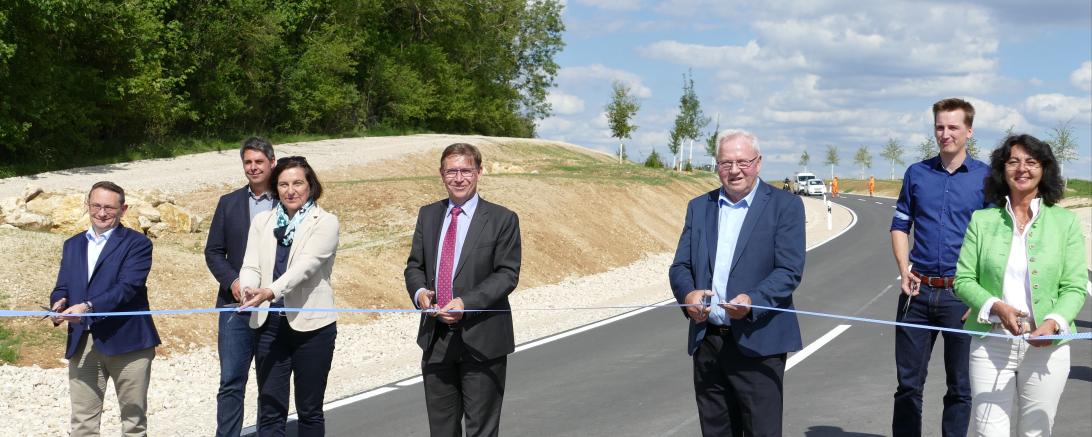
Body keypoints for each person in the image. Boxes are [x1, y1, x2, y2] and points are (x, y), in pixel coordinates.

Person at [668, 130, 805, 437]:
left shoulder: (785, 206)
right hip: (708, 342)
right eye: (725, 162)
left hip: (759, 343)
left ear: (758, 163)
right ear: (716, 166)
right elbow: (680, 266)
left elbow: (789, 270)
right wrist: (688, 294)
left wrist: (752, 300)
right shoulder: (699, 206)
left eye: (743, 161)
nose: (734, 170)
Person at [954, 134, 1088, 436]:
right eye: (1013, 161)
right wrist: (995, 307)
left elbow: (1075, 286)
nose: (1022, 168)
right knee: (989, 432)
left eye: (1031, 162)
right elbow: (963, 280)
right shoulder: (981, 220)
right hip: (991, 342)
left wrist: (1053, 323)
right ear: (1002, 170)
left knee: (1036, 431)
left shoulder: (1065, 223)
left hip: (1047, 346)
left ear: (1044, 169)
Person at [405, 143, 522, 437]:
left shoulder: (502, 219)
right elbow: (414, 267)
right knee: (442, 430)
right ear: (442, 174)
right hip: (436, 340)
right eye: (452, 171)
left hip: (483, 340)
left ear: (479, 173)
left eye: (466, 171)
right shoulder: (428, 215)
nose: (459, 178)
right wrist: (420, 295)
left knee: (481, 429)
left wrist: (465, 302)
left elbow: (507, 274)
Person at [890, 97, 989, 437]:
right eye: (939, 127)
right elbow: (900, 225)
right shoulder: (917, 173)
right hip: (916, 294)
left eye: (953, 127)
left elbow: (997, 242)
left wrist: (983, 296)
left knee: (960, 387)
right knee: (908, 386)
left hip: (961, 297)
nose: (945, 134)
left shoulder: (986, 179)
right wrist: (904, 269)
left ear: (969, 131)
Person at [237, 156, 339, 436]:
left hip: (312, 328)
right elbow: (251, 265)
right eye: (283, 184)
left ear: (310, 186)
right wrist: (248, 288)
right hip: (269, 327)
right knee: (270, 411)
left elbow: (306, 267)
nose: (290, 190)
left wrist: (270, 291)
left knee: (309, 411)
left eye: (297, 183)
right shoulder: (262, 221)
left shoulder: (326, 222)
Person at [49, 181, 161, 436]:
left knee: (133, 422)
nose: (101, 213)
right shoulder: (72, 244)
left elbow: (127, 288)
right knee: (82, 423)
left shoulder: (138, 244)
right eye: (96, 206)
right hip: (83, 344)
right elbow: (63, 286)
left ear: (123, 210)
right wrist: (59, 303)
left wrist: (87, 307)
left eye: (109, 208)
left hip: (129, 343)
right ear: (87, 205)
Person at [204, 137, 276, 437]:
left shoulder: (287, 199)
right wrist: (233, 281)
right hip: (235, 308)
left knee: (271, 381)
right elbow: (213, 251)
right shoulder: (228, 203)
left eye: (259, 162)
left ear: (272, 163)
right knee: (231, 381)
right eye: (248, 162)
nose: (253, 167)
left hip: (276, 306)